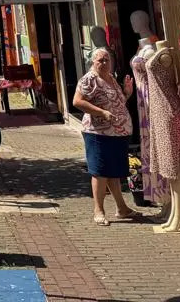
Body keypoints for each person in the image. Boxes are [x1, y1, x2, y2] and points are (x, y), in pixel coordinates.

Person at [71, 47, 139, 226]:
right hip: (98, 132)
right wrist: (101, 112)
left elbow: (117, 102)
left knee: (113, 172)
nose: (104, 63)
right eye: (100, 60)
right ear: (93, 62)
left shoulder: (110, 77)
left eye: (107, 59)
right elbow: (77, 101)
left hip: (117, 132)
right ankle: (98, 210)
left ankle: (121, 208)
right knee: (100, 172)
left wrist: (127, 93)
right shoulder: (89, 79)